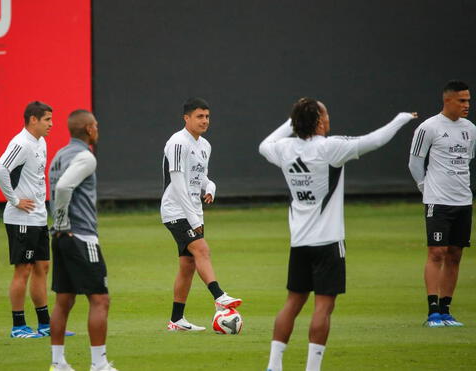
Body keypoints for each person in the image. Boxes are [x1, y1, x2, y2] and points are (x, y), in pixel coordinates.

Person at [259, 98, 416, 371]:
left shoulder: (284, 149)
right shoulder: (330, 148)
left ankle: (274, 365)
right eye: (326, 114)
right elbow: (374, 140)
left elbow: (263, 146)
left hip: (299, 243)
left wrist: (291, 123)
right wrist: (401, 119)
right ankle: (312, 368)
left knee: (293, 302)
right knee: (323, 307)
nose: (329, 118)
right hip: (328, 243)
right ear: (319, 121)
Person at [0, 101, 74, 338]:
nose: (52, 124)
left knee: (42, 267)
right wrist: (14, 199)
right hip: (21, 218)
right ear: (33, 120)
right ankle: (18, 326)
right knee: (24, 270)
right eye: (47, 119)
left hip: (37, 218)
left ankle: (45, 323)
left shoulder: (41, 142)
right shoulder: (21, 143)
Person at [161, 97, 242, 332]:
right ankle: (219, 296)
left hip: (194, 211)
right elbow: (177, 182)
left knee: (188, 265)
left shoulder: (205, 146)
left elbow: (200, 177)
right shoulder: (177, 142)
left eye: (207, 116)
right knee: (202, 249)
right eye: (199, 116)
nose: (204, 120)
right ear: (186, 118)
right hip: (175, 211)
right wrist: (194, 218)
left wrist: (210, 186)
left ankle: (176, 320)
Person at [48, 110, 117, 371]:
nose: (98, 129)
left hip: (62, 237)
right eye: (96, 125)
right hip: (81, 236)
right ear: (89, 129)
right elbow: (63, 188)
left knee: (63, 300)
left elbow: (56, 189)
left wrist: (58, 225)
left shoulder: (59, 156)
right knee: (100, 299)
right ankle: (98, 364)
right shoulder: (86, 157)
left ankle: (58, 363)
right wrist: (63, 222)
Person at [408, 80, 474, 328]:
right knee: (437, 252)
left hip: (463, 201)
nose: (467, 105)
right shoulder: (429, 128)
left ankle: (447, 310)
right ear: (448, 101)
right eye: (462, 100)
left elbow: (468, 158)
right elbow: (415, 163)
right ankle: (433, 310)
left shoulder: (470, 129)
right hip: (437, 201)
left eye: (468, 100)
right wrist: (425, 188)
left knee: (456, 255)